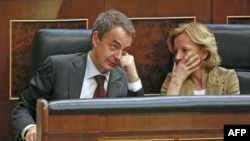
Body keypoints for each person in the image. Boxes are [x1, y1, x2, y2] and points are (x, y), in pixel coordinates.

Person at [11, 9, 144, 141]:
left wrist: (134, 78)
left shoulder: (123, 77)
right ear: (96, 39)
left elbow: (139, 122)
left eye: (125, 50)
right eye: (114, 46)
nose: (119, 57)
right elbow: (23, 107)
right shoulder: (58, 68)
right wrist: (30, 128)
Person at [161, 22, 240, 95]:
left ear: (204, 53)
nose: (177, 57)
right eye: (175, 52)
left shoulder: (227, 77)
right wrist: (176, 82)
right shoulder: (172, 80)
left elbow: (235, 109)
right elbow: (166, 110)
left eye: (185, 50)